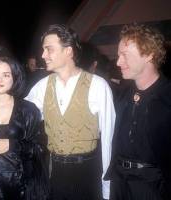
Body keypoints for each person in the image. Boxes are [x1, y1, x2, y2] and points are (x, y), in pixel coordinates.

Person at [26, 24, 115, 200]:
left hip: (88, 173)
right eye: (43, 50)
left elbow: (108, 140)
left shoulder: (98, 85)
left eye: (49, 49)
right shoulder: (42, 86)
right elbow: (20, 119)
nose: (43, 55)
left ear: (68, 51)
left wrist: (107, 187)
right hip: (55, 172)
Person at [105, 23, 171, 200]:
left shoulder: (167, 97)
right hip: (119, 182)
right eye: (118, 55)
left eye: (124, 55)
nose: (118, 62)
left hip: (152, 186)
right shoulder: (122, 95)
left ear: (149, 54)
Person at [0, 56, 49, 200]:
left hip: (23, 186)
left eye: (6, 75)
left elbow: (40, 147)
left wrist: (13, 145)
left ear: (15, 78)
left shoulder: (29, 110)